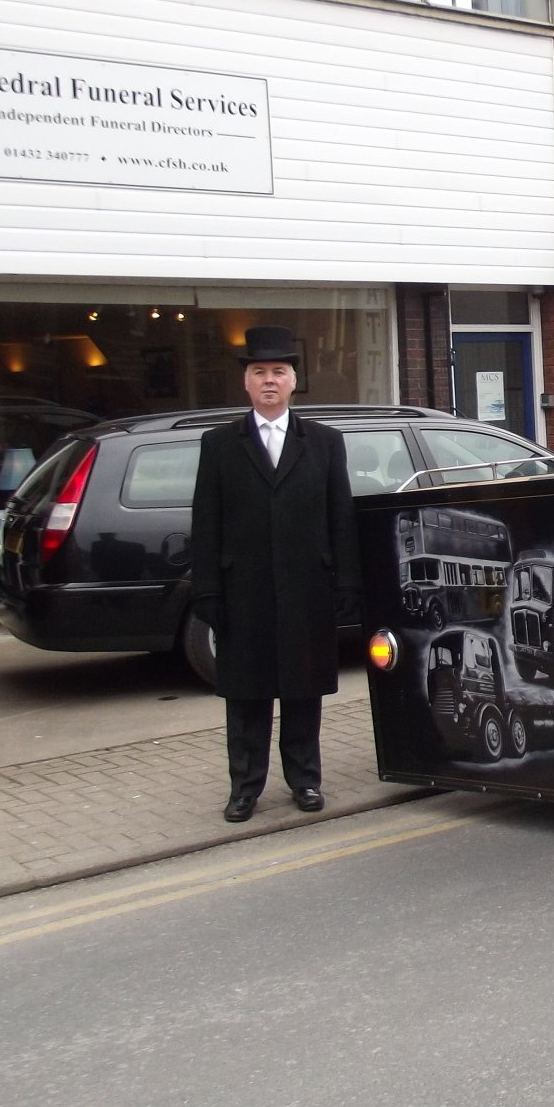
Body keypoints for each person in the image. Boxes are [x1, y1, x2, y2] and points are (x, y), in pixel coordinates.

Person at [190, 326, 361, 823]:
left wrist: (347, 583)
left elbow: (340, 516)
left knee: (303, 691)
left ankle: (305, 781)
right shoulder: (219, 444)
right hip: (243, 591)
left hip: (308, 587)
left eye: (279, 372)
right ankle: (245, 788)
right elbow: (206, 521)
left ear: (293, 381)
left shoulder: (325, 443)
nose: (269, 380)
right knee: (247, 694)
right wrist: (207, 591)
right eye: (259, 372)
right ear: (246, 382)